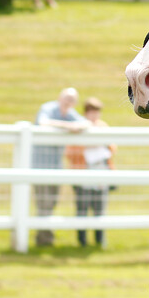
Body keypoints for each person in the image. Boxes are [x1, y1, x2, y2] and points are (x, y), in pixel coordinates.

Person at [33, 87, 88, 246]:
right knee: (44, 203)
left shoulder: (70, 114)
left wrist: (67, 126)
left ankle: (44, 237)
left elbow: (85, 124)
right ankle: (44, 239)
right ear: (60, 98)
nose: (68, 102)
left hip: (55, 167)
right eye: (66, 99)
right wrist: (68, 127)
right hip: (40, 167)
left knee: (52, 202)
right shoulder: (48, 108)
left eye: (71, 100)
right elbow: (43, 123)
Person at [65, 97, 116, 248]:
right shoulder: (79, 127)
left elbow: (112, 147)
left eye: (96, 112)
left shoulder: (103, 127)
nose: (94, 115)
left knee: (99, 207)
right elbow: (70, 152)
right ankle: (82, 242)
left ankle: (100, 240)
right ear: (86, 113)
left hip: (101, 172)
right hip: (83, 172)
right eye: (91, 112)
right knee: (82, 208)